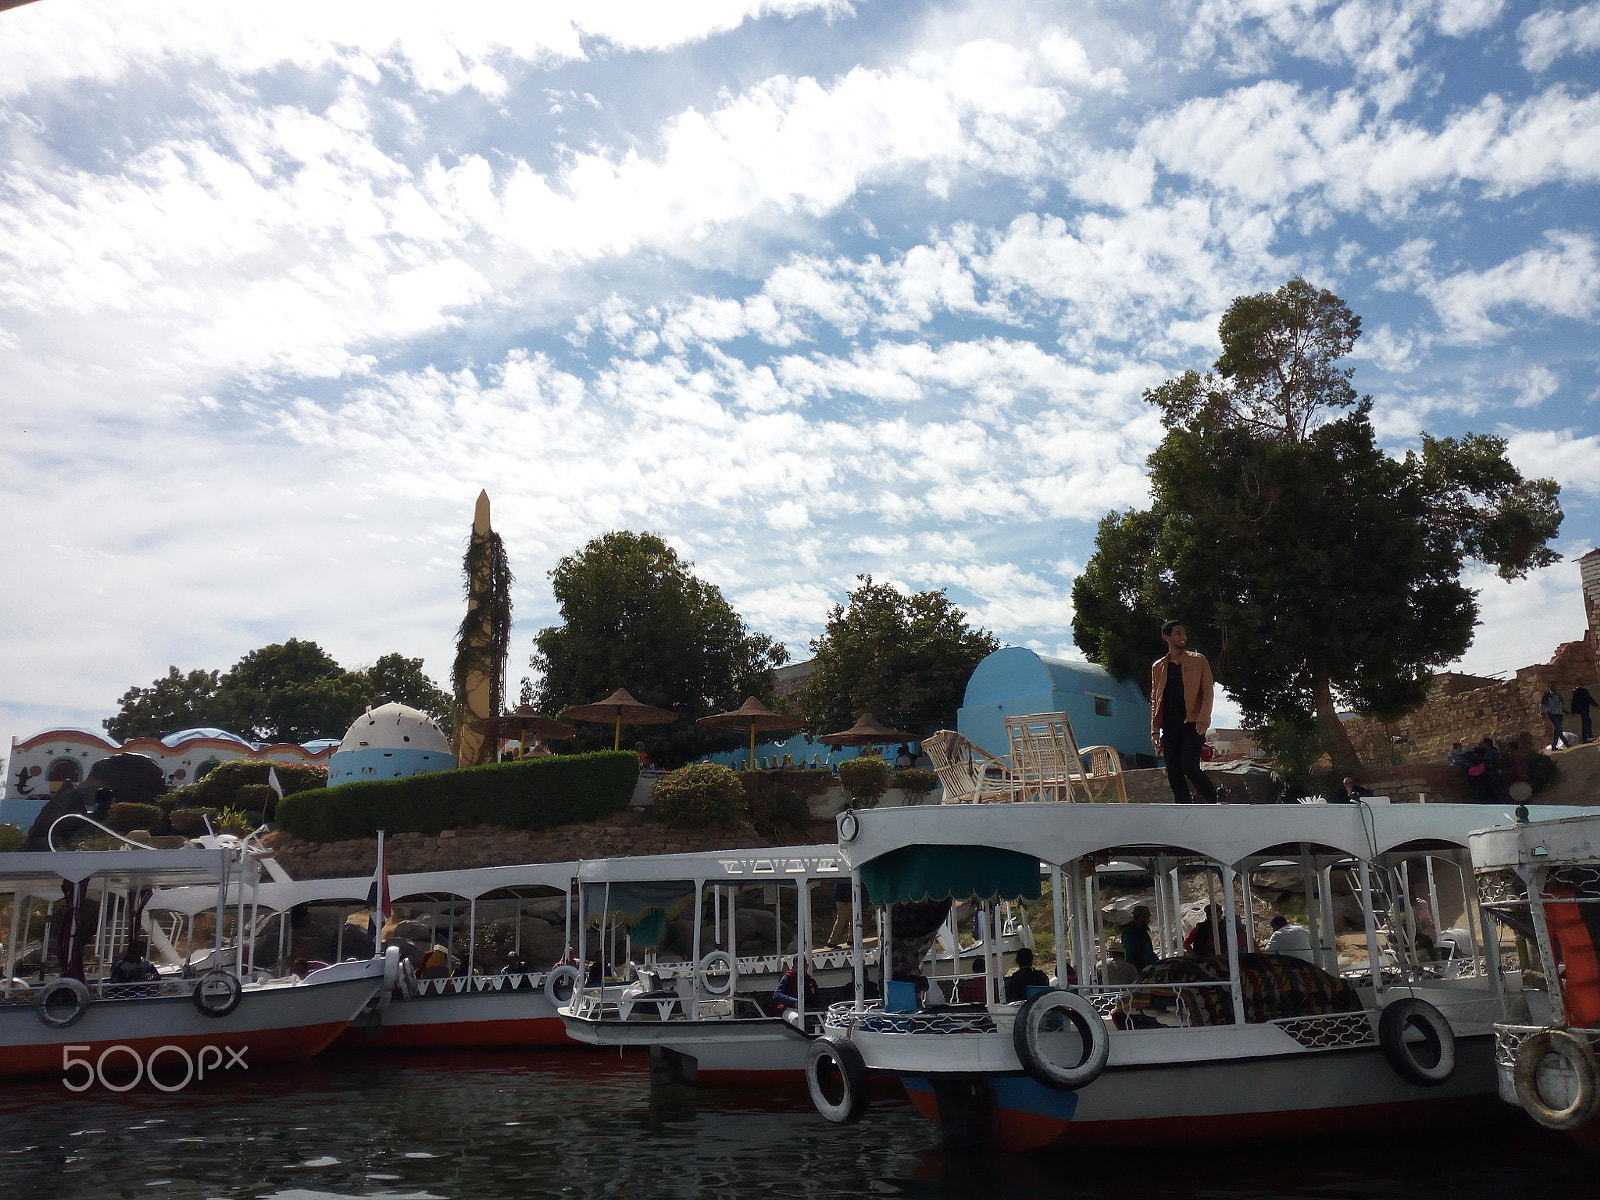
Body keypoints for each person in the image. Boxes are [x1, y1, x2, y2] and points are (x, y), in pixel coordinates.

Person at [1150, 620, 1218, 803]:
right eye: (1178, 633)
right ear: (1167, 636)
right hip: (1170, 725)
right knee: (1173, 771)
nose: (1183, 637)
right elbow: (1155, 699)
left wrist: (1204, 718)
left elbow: (1208, 691)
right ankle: (1184, 808)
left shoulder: (1198, 660)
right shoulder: (1158, 666)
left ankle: (1214, 800)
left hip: (1192, 723)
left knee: (1189, 766)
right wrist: (1155, 730)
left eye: (1184, 633)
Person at [1121, 905, 1158, 971]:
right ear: (1141, 917)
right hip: (1139, 970)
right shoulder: (1130, 933)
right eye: (1147, 917)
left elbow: (1148, 952)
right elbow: (1129, 955)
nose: (1148, 919)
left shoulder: (1143, 931)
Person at [1541, 686, 1567, 751]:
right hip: (1552, 714)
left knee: (1557, 731)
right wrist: (1543, 713)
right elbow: (1542, 705)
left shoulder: (1558, 695)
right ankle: (1566, 742)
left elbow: (1562, 704)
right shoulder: (1547, 696)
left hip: (1559, 714)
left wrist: (1565, 711)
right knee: (1558, 729)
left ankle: (1554, 746)